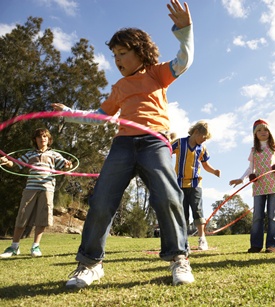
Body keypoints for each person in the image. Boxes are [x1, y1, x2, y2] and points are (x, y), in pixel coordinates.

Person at [51, 0, 195, 288]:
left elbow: (184, 60)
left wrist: (185, 31)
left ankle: (179, 258)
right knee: (102, 200)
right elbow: (99, 117)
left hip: (155, 142)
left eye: (123, 53)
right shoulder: (118, 88)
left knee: (167, 196)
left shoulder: (156, 73)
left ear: (140, 52)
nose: (117, 59)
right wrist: (70, 113)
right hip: (122, 145)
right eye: (114, 54)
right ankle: (89, 264)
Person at [0, 128, 72, 259]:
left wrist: (68, 164)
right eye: (39, 137)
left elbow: (65, 165)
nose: (42, 138)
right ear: (35, 140)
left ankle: (35, 246)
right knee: (22, 215)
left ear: (49, 139)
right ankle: (14, 246)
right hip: (30, 188)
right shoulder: (30, 154)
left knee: (42, 217)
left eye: (45, 136)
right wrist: (6, 162)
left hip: (47, 188)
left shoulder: (54, 154)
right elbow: (16, 164)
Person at [229, 119, 275, 253]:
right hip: (259, 185)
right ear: (255, 134)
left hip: (274, 184)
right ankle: (256, 245)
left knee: (273, 215)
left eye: (265, 130)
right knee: (257, 215)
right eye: (259, 130)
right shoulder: (254, 150)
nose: (263, 132)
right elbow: (251, 168)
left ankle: (273, 245)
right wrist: (241, 179)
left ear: (270, 131)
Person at [171, 121, 221, 251]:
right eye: (203, 138)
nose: (203, 141)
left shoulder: (202, 148)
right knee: (182, 213)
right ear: (196, 132)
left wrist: (214, 171)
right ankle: (183, 241)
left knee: (198, 211)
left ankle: (202, 239)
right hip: (179, 183)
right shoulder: (179, 143)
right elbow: (166, 151)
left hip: (195, 184)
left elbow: (205, 165)